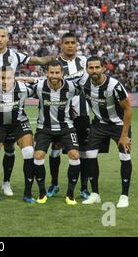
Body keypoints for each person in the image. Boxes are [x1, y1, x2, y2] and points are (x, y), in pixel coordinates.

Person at [0, 25, 54, 198]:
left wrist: (57, 58)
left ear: (8, 38)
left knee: (9, 146)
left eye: (3, 36)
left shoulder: (15, 55)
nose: (0, 39)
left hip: (10, 103)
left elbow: (37, 61)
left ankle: (6, 182)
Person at [78, 56, 133, 208]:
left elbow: (128, 109)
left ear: (103, 68)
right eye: (91, 67)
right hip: (99, 125)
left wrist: (124, 135)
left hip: (118, 125)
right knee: (89, 155)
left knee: (124, 155)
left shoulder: (114, 86)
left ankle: (124, 196)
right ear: (87, 69)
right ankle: (95, 194)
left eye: (97, 67)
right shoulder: (84, 83)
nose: (94, 71)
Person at [30, 60, 83, 205]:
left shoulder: (71, 87)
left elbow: (88, 87)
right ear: (47, 73)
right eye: (51, 72)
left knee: (74, 155)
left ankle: (70, 194)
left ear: (62, 74)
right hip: (44, 128)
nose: (54, 75)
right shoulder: (39, 87)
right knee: (38, 155)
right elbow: (22, 88)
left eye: (57, 73)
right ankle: (42, 193)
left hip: (66, 127)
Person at [0, 66, 36, 203]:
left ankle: (27, 193)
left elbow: (40, 87)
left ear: (14, 78)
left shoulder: (23, 89)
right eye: (2, 78)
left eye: (9, 78)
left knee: (29, 151)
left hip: (18, 123)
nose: (5, 81)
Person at [47, 32, 91, 200]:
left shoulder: (85, 62)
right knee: (56, 148)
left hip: (82, 112)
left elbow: (89, 85)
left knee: (83, 151)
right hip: (60, 114)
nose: (70, 45)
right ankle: (54, 184)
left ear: (76, 44)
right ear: (61, 45)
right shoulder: (56, 65)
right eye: (67, 43)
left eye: (73, 42)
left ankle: (84, 188)